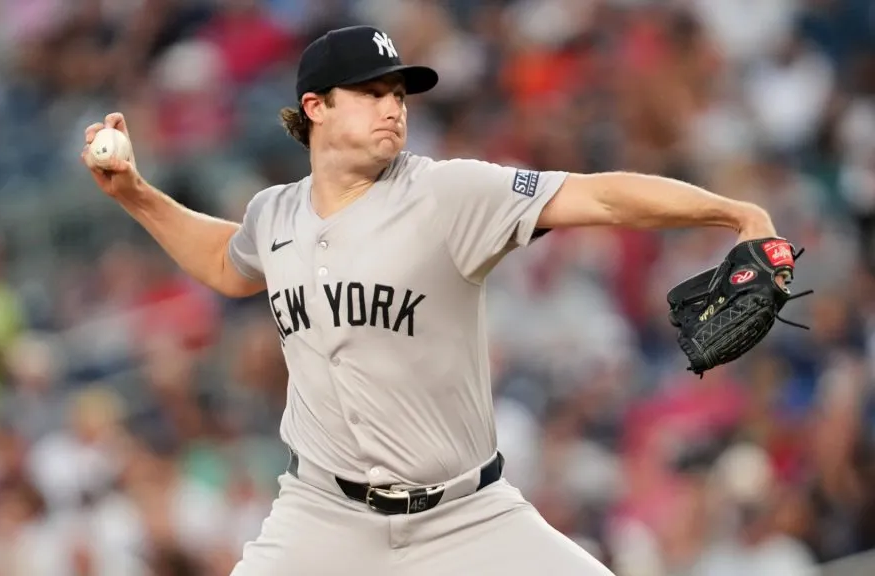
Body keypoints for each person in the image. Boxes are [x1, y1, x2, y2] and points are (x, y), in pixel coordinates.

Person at [80, 24, 784, 576]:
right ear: (315, 107)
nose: (394, 106)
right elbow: (229, 264)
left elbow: (596, 193)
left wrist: (734, 213)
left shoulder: (447, 193)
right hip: (322, 515)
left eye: (399, 93)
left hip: (466, 515)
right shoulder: (276, 215)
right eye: (372, 92)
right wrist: (138, 196)